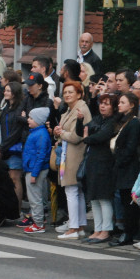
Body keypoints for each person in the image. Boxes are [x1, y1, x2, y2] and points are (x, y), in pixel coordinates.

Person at [53, 81, 92, 240]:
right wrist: (58, 132)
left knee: (71, 189)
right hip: (70, 153)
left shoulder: (80, 109)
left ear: (79, 94)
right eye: (65, 92)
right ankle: (80, 225)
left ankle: (74, 227)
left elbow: (77, 136)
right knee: (77, 191)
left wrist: (61, 133)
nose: (67, 95)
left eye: (71, 92)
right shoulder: (70, 110)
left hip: (76, 153)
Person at [81, 92, 119, 243]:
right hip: (92, 160)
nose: (102, 106)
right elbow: (84, 129)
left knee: (104, 197)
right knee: (94, 198)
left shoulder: (113, 121)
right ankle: (97, 229)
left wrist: (87, 138)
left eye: (107, 104)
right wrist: (81, 125)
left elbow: (101, 136)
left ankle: (106, 230)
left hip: (105, 162)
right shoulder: (97, 118)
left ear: (114, 107)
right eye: (101, 103)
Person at [109, 93, 140, 247]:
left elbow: (130, 148)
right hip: (121, 166)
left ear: (132, 105)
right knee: (123, 200)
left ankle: (129, 233)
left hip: (128, 168)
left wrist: (119, 160)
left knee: (128, 202)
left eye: (123, 102)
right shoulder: (122, 121)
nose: (119, 105)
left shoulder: (134, 123)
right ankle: (128, 232)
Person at [22, 108, 52, 233]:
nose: (28, 120)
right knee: (35, 197)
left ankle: (38, 224)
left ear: (39, 120)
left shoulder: (40, 135)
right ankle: (38, 221)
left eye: (31, 118)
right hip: (33, 168)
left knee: (35, 198)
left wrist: (34, 173)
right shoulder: (38, 133)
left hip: (35, 170)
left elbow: (41, 155)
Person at [0, 81, 27, 208]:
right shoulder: (6, 107)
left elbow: (16, 131)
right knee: (8, 179)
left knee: (15, 178)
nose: (5, 92)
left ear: (15, 93)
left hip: (15, 148)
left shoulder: (20, 108)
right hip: (5, 147)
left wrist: (3, 147)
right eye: (5, 90)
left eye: (9, 91)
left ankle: (17, 207)